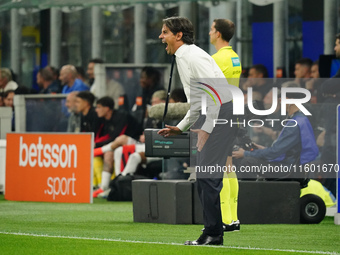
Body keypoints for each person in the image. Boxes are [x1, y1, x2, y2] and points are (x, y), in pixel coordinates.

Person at [158, 16, 236, 245]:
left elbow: (214, 96)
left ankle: (214, 234)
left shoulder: (193, 56)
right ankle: (211, 232)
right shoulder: (185, 56)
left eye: (165, 32)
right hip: (214, 113)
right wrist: (180, 128)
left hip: (220, 113)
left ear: (178, 35)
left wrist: (207, 129)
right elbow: (198, 101)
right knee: (204, 176)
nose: (161, 37)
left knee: (207, 176)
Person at [232, 92, 319, 181]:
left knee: (247, 162)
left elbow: (274, 152)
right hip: (292, 165)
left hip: (288, 168)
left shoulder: (294, 123)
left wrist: (245, 153)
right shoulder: (299, 119)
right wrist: (264, 149)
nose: (280, 102)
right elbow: (284, 150)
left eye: (282, 99)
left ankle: (247, 193)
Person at [209, 18, 241, 232]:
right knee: (228, 166)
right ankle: (233, 219)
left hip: (219, 116)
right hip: (232, 114)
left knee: (219, 168)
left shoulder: (216, 59)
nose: (209, 33)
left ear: (218, 33)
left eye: (212, 29)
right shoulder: (235, 57)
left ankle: (226, 220)